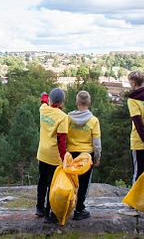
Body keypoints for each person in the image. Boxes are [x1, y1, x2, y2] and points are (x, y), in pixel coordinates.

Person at [35, 88, 69, 223]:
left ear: (50, 100)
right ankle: (49, 214)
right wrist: (64, 158)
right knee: (52, 185)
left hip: (42, 153)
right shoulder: (63, 117)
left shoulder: (43, 109)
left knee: (42, 181)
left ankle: (39, 208)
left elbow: (43, 100)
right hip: (54, 157)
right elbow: (61, 141)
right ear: (62, 102)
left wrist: (44, 95)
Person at [67, 90, 101, 221]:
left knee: (70, 182)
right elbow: (96, 143)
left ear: (77, 103)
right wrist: (97, 157)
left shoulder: (68, 118)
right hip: (87, 156)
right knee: (84, 184)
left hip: (71, 154)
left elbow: (63, 136)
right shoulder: (94, 121)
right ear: (89, 103)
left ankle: (66, 206)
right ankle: (79, 209)